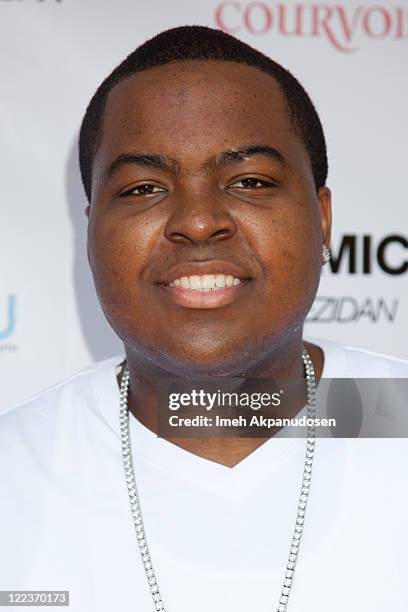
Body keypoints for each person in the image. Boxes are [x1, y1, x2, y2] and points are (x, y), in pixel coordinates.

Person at [1, 25, 407, 612]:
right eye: (143, 188)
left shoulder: (386, 413)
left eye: (249, 182)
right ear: (89, 233)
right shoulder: (17, 467)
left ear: (321, 220)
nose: (197, 222)